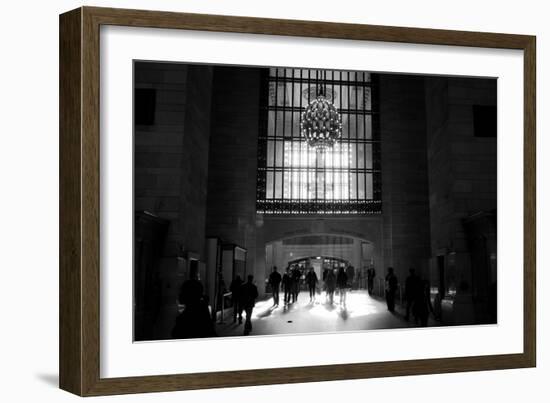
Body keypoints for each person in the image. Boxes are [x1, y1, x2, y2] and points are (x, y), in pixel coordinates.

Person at [172, 270, 216, 339]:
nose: (180, 294)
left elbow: (176, 334)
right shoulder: (203, 310)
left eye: (182, 292)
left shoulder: (186, 318)